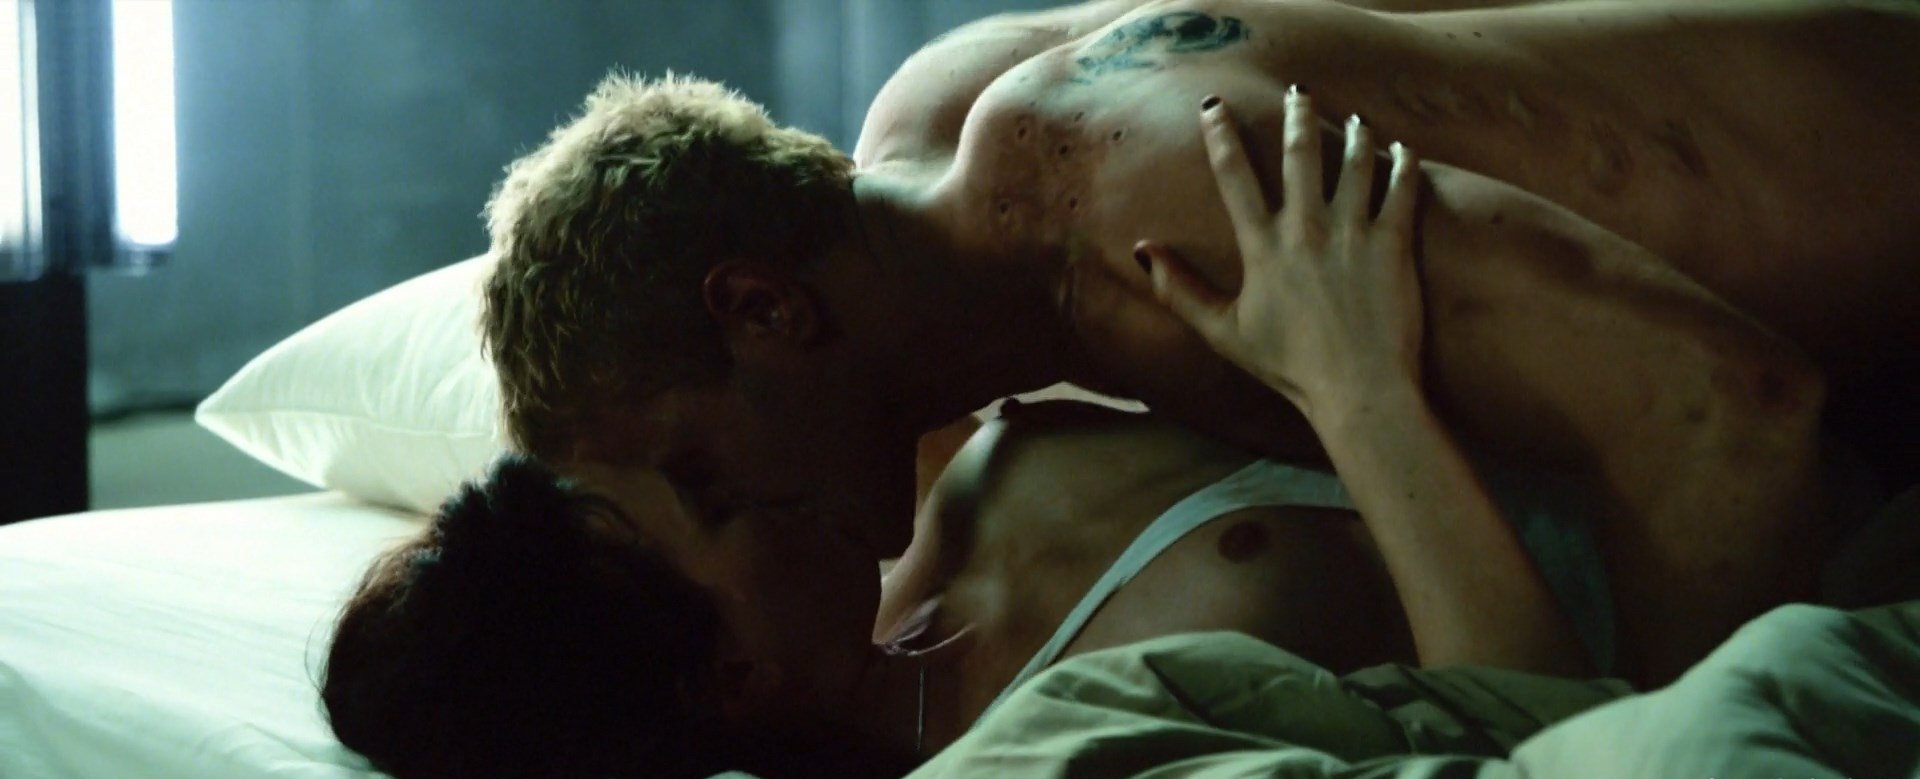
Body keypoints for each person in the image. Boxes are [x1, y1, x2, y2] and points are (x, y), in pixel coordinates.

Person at [328, 103, 1762, 779]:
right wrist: (1362, 393)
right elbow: (1537, 745)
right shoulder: (1042, 742)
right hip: (1730, 555)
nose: (745, 489)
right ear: (731, 673)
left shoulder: (895, 511)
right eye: (700, 504)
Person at [480, 0, 1918, 683]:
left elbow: (1730, 411)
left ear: (765, 308)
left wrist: (1663, 771)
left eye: (700, 469)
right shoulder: (929, 135)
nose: (730, 517)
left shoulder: (1135, 205)